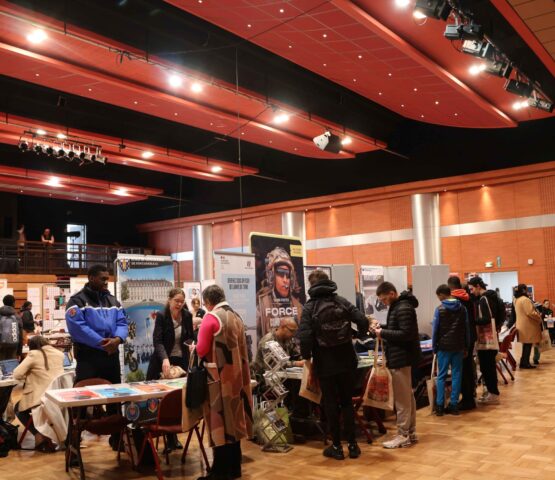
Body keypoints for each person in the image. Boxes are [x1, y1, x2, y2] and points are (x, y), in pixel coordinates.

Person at [298, 270, 369, 460]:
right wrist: (358, 335)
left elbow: (304, 336)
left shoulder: (310, 307)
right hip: (347, 359)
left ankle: (336, 446)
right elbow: (362, 320)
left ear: (311, 285)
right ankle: (353, 445)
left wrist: (306, 358)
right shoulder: (341, 301)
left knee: (330, 404)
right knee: (347, 402)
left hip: (325, 361)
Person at [65, 264, 128, 451]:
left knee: (115, 401)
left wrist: (117, 339)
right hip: (88, 358)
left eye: (107, 278)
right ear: (91, 278)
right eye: (102, 278)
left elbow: (122, 322)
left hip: (111, 356)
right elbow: (78, 328)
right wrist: (102, 343)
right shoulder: (76, 301)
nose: (106, 282)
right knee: (81, 404)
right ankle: (73, 445)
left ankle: (117, 439)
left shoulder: (113, 301)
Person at [195, 285, 253, 480]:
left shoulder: (211, 318)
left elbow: (202, 349)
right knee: (234, 423)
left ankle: (219, 471)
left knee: (218, 423)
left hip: (218, 380)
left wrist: (193, 348)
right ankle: (234, 468)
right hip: (238, 378)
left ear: (208, 302)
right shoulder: (237, 316)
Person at [373, 282, 421, 449]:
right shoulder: (400, 306)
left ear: (392, 293)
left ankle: (403, 435)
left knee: (402, 400)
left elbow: (406, 334)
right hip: (403, 358)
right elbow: (399, 329)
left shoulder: (402, 308)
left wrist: (382, 333)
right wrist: (383, 328)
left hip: (402, 359)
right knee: (407, 397)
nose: (384, 302)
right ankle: (411, 432)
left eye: (385, 299)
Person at [146, 288, 194, 451]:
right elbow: (157, 341)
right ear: (169, 300)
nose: (179, 305)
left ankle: (173, 437)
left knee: (177, 398)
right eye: (176, 301)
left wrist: (192, 346)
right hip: (162, 361)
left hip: (181, 362)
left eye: (182, 301)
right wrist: (165, 359)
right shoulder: (161, 316)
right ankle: (164, 437)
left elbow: (189, 337)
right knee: (161, 398)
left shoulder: (187, 316)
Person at [13, 335, 64, 452]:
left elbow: (17, 374)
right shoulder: (59, 354)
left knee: (18, 409)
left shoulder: (34, 354)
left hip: (40, 398)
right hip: (58, 397)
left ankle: (39, 436)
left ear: (33, 347)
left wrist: (28, 374)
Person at [432, 284, 468, 416]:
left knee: (441, 376)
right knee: (457, 375)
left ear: (442, 294)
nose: (439, 299)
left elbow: (435, 330)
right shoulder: (462, 308)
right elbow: (466, 329)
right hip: (458, 346)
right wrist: (466, 345)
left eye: (438, 296)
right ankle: (454, 405)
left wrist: (434, 346)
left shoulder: (439, 309)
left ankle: (440, 406)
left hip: (443, 347)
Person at [256, 247, 303, 340]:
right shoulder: (261, 304)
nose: (285, 280)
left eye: (288, 275)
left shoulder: (298, 307)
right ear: (272, 276)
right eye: (281, 274)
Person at [467, 277, 500, 404]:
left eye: (471, 289)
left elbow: (486, 318)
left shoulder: (484, 299)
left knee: (488, 368)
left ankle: (493, 394)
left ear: (478, 286)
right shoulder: (490, 297)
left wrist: (472, 321)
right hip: (489, 339)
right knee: (488, 367)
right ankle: (492, 393)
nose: (471, 292)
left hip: (487, 339)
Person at [448, 276, 477, 411]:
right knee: (468, 367)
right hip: (470, 337)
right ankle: (470, 395)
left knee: (463, 370)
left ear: (450, 287)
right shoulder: (468, 298)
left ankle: (467, 400)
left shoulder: (454, 301)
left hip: (462, 339)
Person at [513, 284, 542, 369]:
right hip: (527, 325)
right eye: (526, 290)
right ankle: (525, 363)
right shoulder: (525, 300)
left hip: (522, 325)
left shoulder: (516, 299)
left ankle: (524, 362)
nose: (528, 292)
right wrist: (539, 316)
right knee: (528, 345)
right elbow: (530, 312)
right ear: (523, 290)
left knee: (526, 345)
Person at [0, 294, 23, 361]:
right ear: (13, 303)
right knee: (11, 366)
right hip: (14, 345)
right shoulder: (17, 317)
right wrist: (19, 352)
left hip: (1, 345)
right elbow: (20, 335)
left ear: (3, 302)